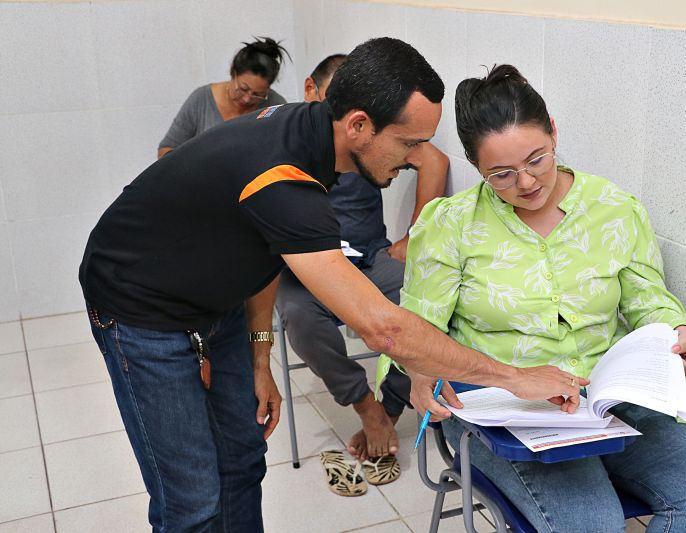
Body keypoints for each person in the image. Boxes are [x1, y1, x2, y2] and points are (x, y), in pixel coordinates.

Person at [79, 40, 586, 532]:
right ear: (359, 125)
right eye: (409, 143)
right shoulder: (284, 175)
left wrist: (260, 357)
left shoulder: (311, 136)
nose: (415, 158)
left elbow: (259, 250)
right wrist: (514, 378)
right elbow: (383, 331)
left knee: (242, 460)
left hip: (218, 297)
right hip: (139, 306)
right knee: (191, 501)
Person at [377, 64, 686, 532]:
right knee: (594, 523)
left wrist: (676, 330)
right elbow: (416, 330)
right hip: (503, 408)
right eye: (501, 175)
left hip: (606, 398)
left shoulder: (612, 208)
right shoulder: (451, 225)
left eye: (536, 160)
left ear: (553, 134)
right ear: (475, 167)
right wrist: (421, 370)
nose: (525, 183)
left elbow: (650, 299)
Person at [276, 54, 449, 464]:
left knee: (429, 297)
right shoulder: (293, 143)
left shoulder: (372, 139)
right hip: (306, 267)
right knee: (299, 315)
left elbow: (434, 160)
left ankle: (391, 405)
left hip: (370, 256)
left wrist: (413, 235)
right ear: (311, 92)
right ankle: (366, 406)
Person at [157, 36, 289, 158]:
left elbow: (285, 153)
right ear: (233, 71)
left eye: (258, 95)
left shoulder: (276, 106)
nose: (247, 99)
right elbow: (166, 149)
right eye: (243, 89)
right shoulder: (201, 100)